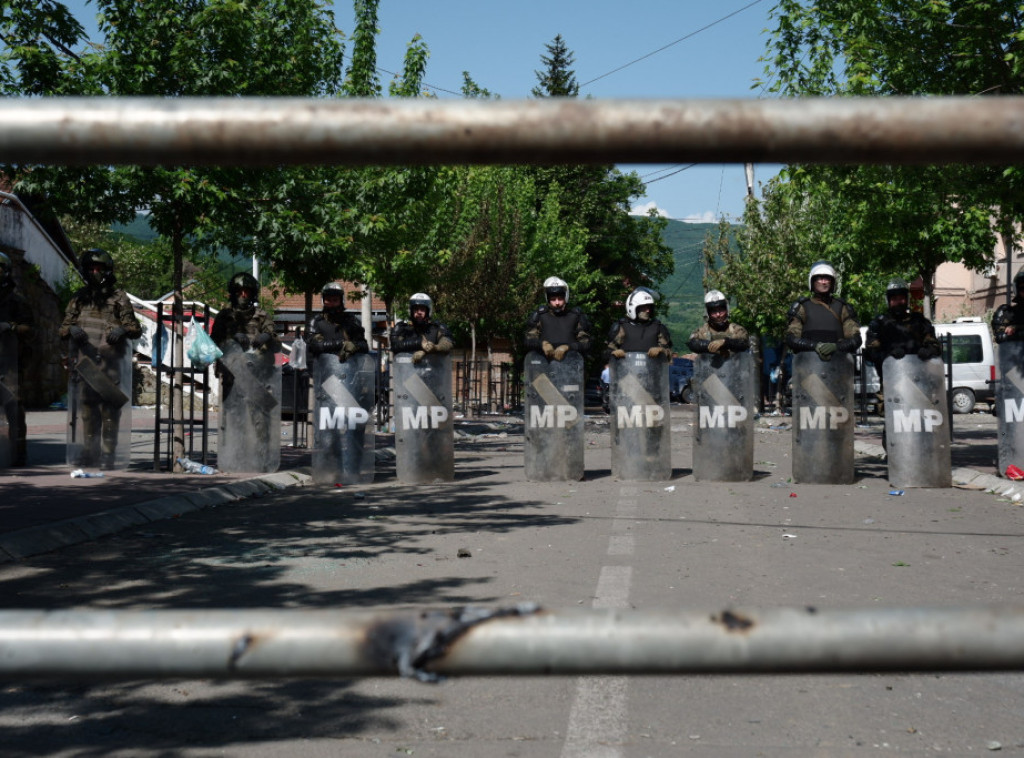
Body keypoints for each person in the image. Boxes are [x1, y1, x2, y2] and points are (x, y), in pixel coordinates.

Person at [59, 248, 142, 469]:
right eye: (91, 268)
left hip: (110, 362)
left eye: (99, 268)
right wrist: (72, 329)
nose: (95, 272)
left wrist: (122, 331)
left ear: (107, 271)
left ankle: (108, 455)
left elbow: (135, 328)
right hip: (87, 364)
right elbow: (63, 328)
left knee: (109, 412)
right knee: (88, 411)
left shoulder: (118, 297)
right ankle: (90, 452)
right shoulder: (79, 298)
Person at [864, 278, 942, 389]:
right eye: (894, 299)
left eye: (902, 298)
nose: (898, 302)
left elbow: (935, 345)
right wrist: (888, 354)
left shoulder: (918, 321)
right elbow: (871, 351)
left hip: (919, 381)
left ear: (907, 299)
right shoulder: (879, 323)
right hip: (891, 384)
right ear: (888, 301)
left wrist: (929, 350)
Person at [785, 260, 861, 359]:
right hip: (808, 367)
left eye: (827, 278)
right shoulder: (802, 307)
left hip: (838, 365)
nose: (824, 282)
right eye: (820, 278)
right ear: (812, 281)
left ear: (832, 282)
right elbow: (791, 339)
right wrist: (814, 346)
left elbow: (855, 339)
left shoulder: (843, 307)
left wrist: (836, 347)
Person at [0, 253, 34, 466]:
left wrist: (11, 327)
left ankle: (17, 454)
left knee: (14, 409)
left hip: (11, 364)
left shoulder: (17, 301)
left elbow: (31, 330)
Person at [524, 276, 592, 359]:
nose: (557, 303)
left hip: (571, 365)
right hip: (544, 365)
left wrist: (568, 347)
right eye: (553, 299)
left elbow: (586, 343)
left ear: (565, 297)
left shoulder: (576, 315)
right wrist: (542, 344)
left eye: (560, 299)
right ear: (548, 300)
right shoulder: (540, 315)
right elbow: (528, 340)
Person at [210, 272, 277, 355]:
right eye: (240, 291)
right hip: (229, 364)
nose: (243, 295)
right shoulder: (225, 316)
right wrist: (232, 337)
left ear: (252, 294)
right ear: (234, 294)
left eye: (246, 291)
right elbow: (214, 341)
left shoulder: (262, 316)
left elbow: (275, 344)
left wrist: (266, 337)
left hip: (256, 364)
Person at [605, 287, 673, 361]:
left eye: (649, 307)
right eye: (644, 307)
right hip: (626, 371)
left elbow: (669, 354)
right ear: (633, 307)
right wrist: (614, 353)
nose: (647, 310)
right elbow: (606, 353)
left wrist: (661, 351)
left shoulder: (658, 328)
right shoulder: (621, 327)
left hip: (652, 371)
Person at [307, 281, 369, 360]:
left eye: (335, 300)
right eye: (328, 300)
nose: (331, 303)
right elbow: (315, 345)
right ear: (323, 301)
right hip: (322, 369)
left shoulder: (351, 320)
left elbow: (364, 346)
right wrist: (343, 343)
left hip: (349, 369)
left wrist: (355, 346)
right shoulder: (316, 322)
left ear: (341, 301)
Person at [390, 292, 453, 362]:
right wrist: (420, 343)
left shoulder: (436, 329)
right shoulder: (404, 330)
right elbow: (395, 346)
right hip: (407, 371)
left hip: (434, 371)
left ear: (428, 311)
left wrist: (435, 348)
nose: (419, 312)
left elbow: (447, 343)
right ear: (411, 311)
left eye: (422, 309)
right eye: (416, 309)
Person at [687, 290, 751, 356]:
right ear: (708, 314)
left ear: (727, 311)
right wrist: (711, 345)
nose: (718, 314)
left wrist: (726, 342)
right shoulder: (702, 331)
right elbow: (693, 344)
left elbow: (744, 343)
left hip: (735, 365)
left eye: (721, 310)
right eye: (714, 311)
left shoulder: (737, 330)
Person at [993, 267, 1024, 343]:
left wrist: (1016, 327)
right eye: (1023, 288)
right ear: (1017, 290)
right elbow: (1000, 337)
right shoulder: (1007, 313)